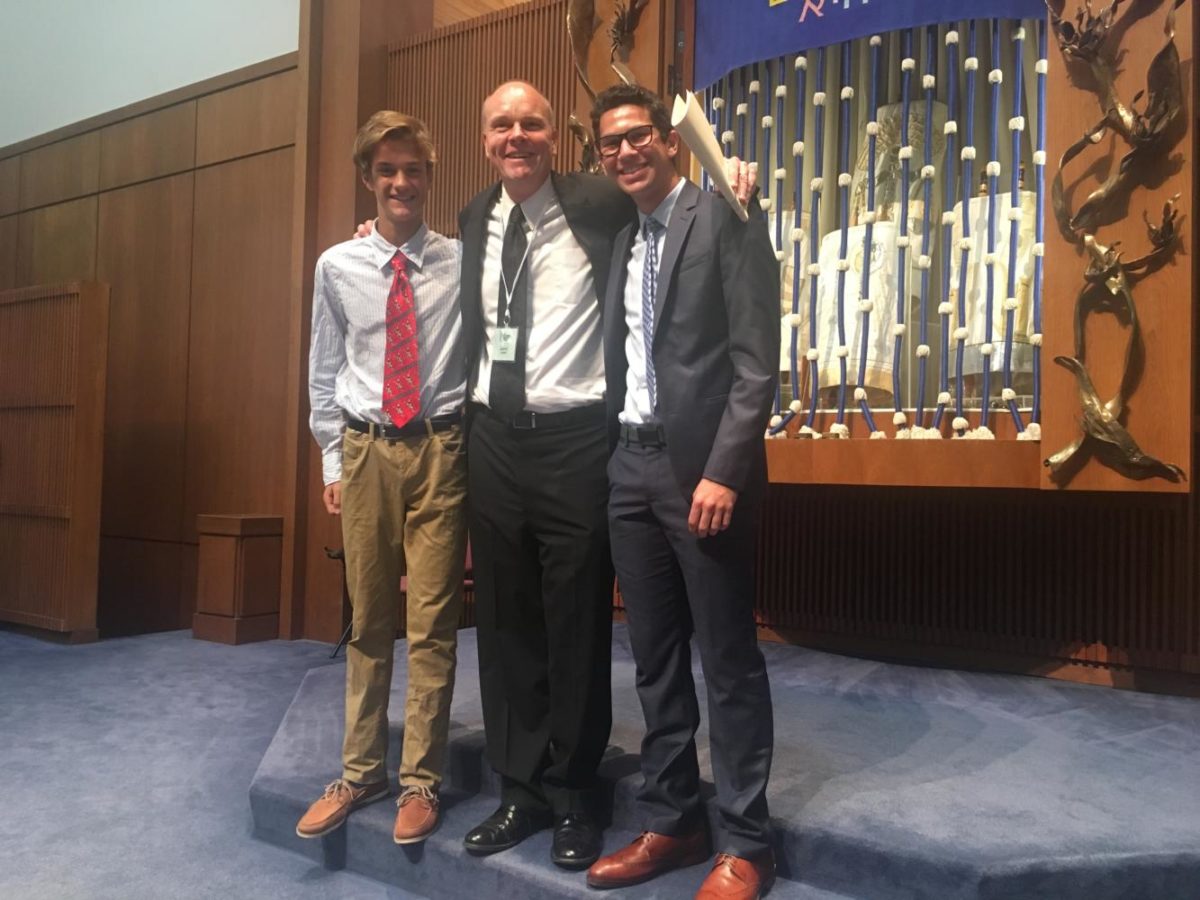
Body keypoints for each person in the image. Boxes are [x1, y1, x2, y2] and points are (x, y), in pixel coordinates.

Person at [584, 84, 779, 900]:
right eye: (609, 145)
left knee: (725, 659)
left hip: (700, 472)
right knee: (654, 659)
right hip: (628, 468)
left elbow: (756, 360)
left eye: (638, 138)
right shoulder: (623, 240)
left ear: (670, 140)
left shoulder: (725, 211)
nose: (625, 153)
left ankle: (744, 839)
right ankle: (672, 818)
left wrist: (725, 471)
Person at [456, 80, 636, 871]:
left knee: (574, 622)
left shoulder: (597, 204)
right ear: (485, 136)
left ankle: (573, 794)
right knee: (503, 621)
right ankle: (519, 790)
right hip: (492, 436)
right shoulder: (474, 218)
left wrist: (731, 185)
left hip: (574, 442)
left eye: (531, 123)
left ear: (550, 138)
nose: (517, 136)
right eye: (503, 124)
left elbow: (668, 204)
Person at [298, 111, 468, 847]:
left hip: (442, 451)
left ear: (430, 176)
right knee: (369, 620)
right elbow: (324, 370)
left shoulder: (463, 261)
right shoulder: (337, 265)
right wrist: (333, 461)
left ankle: (421, 780)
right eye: (388, 171)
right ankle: (360, 768)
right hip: (367, 452)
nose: (402, 183)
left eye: (415, 169)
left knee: (431, 624)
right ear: (369, 179)